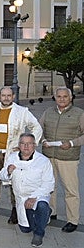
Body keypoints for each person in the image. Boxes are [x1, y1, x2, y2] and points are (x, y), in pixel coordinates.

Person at [0, 87, 42, 223]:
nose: (6, 98)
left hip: (12, 153)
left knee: (13, 182)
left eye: (9, 95)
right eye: (3, 95)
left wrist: (29, 145)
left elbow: (36, 127)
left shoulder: (22, 112)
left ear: (13, 96)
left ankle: (15, 210)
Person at [40, 87, 84, 233]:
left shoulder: (79, 114)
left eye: (65, 96)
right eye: (59, 96)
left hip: (68, 158)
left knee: (71, 191)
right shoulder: (48, 112)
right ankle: (51, 212)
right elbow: (38, 130)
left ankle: (73, 220)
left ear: (70, 98)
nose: (62, 99)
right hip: (48, 157)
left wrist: (71, 143)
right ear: (55, 98)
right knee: (49, 187)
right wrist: (43, 139)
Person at [0, 134, 54, 247]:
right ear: (19, 145)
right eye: (23, 143)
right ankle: (41, 216)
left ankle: (39, 234)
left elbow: (49, 184)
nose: (26, 146)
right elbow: (2, 176)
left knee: (42, 206)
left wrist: (34, 197)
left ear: (34, 145)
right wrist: (8, 171)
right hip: (21, 198)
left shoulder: (43, 161)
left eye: (29, 143)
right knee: (25, 229)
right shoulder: (12, 157)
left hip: (38, 196)